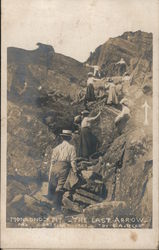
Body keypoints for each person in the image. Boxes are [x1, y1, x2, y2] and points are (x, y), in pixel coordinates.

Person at [48, 130, 78, 210]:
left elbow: (52, 162)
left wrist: (50, 172)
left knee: (53, 185)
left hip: (55, 167)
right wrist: (75, 171)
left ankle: (50, 205)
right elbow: (73, 161)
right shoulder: (72, 148)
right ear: (70, 138)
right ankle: (56, 207)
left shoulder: (56, 148)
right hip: (64, 167)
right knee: (59, 187)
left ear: (62, 137)